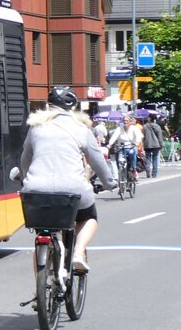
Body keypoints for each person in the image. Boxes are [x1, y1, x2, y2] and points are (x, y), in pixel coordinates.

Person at [14, 86, 117, 273]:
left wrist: (26, 177)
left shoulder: (35, 128)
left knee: (42, 234)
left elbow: (25, 159)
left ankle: (39, 293)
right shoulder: (81, 129)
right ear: (73, 106)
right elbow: (97, 161)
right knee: (88, 217)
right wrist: (109, 182)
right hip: (73, 190)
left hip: (37, 190)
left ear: (48, 105)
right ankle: (78, 252)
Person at [107, 114, 143, 183]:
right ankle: (121, 173)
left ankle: (134, 169)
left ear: (130, 122)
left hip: (131, 146)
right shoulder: (120, 128)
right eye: (124, 120)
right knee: (120, 160)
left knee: (132, 153)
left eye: (126, 120)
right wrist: (110, 144)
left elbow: (139, 136)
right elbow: (114, 136)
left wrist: (136, 143)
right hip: (122, 147)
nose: (125, 122)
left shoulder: (134, 128)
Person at [143, 112, 164, 178]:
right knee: (155, 159)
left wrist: (143, 143)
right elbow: (160, 137)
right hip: (156, 145)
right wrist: (161, 145)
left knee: (148, 158)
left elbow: (143, 136)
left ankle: (148, 171)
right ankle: (154, 174)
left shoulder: (145, 126)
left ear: (150, 118)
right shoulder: (157, 126)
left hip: (147, 144)